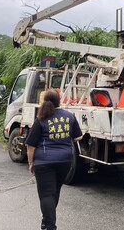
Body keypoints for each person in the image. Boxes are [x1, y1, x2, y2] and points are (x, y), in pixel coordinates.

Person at [26, 89, 83, 230]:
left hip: (44, 162)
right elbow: (78, 137)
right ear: (59, 101)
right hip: (65, 161)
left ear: (44, 101)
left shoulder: (41, 119)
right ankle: (47, 222)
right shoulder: (69, 116)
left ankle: (49, 226)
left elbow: (31, 145)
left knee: (46, 195)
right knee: (54, 192)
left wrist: (31, 163)